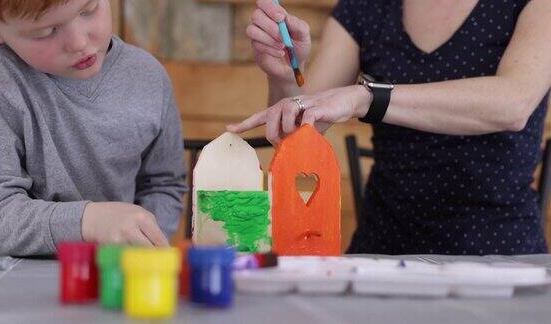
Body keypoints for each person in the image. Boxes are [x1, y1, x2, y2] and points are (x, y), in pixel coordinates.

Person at [228, 0, 551, 255]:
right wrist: (285, 76)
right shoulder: (368, 7)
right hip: (382, 250)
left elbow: (513, 104)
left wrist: (367, 98)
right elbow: (301, 126)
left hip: (498, 251)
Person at [0, 0, 187, 256]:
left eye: (89, 10)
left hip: (114, 274)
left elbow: (163, 185)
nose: (79, 43)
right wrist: (87, 222)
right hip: (16, 280)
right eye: (45, 32)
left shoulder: (149, 77)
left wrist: (143, 239)